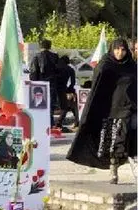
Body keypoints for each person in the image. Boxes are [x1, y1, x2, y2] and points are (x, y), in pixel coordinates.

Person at [67, 38, 137, 184]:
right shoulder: (105, 65)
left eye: (123, 50)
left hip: (130, 109)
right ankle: (114, 170)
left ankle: (134, 168)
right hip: (111, 109)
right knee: (113, 142)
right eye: (117, 49)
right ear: (112, 49)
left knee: (130, 137)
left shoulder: (132, 66)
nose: (120, 53)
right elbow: (97, 88)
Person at [30, 39, 59, 126]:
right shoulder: (55, 57)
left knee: (40, 105)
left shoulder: (37, 56)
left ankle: (40, 123)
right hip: (52, 84)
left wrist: (33, 84)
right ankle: (50, 123)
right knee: (51, 105)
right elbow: (59, 71)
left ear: (40, 46)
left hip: (40, 84)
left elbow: (34, 72)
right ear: (50, 46)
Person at [54, 55, 80, 130]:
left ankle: (55, 123)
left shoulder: (55, 68)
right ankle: (59, 123)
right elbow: (73, 82)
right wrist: (69, 90)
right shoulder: (70, 69)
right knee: (65, 107)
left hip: (53, 88)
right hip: (62, 89)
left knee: (55, 107)